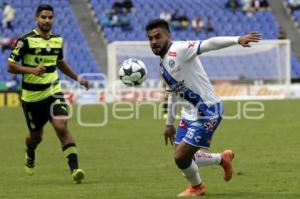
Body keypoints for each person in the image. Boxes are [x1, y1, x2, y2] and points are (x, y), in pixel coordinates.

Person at [145, 19, 261, 197]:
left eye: (158, 37)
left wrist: (237, 39)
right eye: (150, 38)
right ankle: (222, 159)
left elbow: (209, 43)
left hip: (208, 112)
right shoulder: (163, 66)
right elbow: (174, 94)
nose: (154, 42)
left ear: (168, 35)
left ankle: (198, 187)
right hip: (190, 113)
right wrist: (169, 123)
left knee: (180, 157)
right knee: (182, 156)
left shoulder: (181, 49)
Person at [7, 4, 90, 184]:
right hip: (31, 98)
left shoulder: (57, 40)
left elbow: (60, 63)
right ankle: (30, 152)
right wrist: (31, 70)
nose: (46, 20)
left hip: (53, 91)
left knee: (61, 125)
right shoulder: (25, 40)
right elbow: (10, 66)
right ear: (36, 19)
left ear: (53, 19)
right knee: (35, 137)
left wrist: (78, 78)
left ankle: (75, 170)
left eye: (50, 17)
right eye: (43, 17)